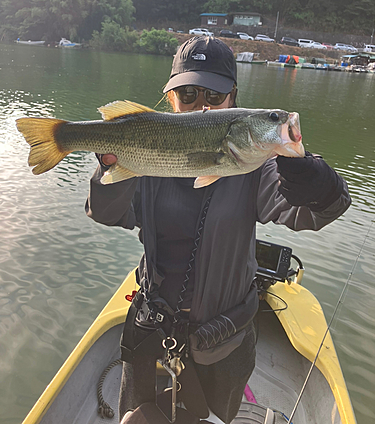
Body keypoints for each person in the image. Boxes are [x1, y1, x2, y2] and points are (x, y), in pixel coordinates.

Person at [85, 36, 351, 424]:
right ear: (170, 98)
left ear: (234, 99)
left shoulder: (255, 162)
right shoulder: (148, 153)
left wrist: (308, 174)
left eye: (214, 93)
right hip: (149, 328)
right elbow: (109, 213)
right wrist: (112, 166)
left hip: (225, 339)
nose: (201, 104)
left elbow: (317, 210)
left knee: (216, 417)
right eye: (188, 93)